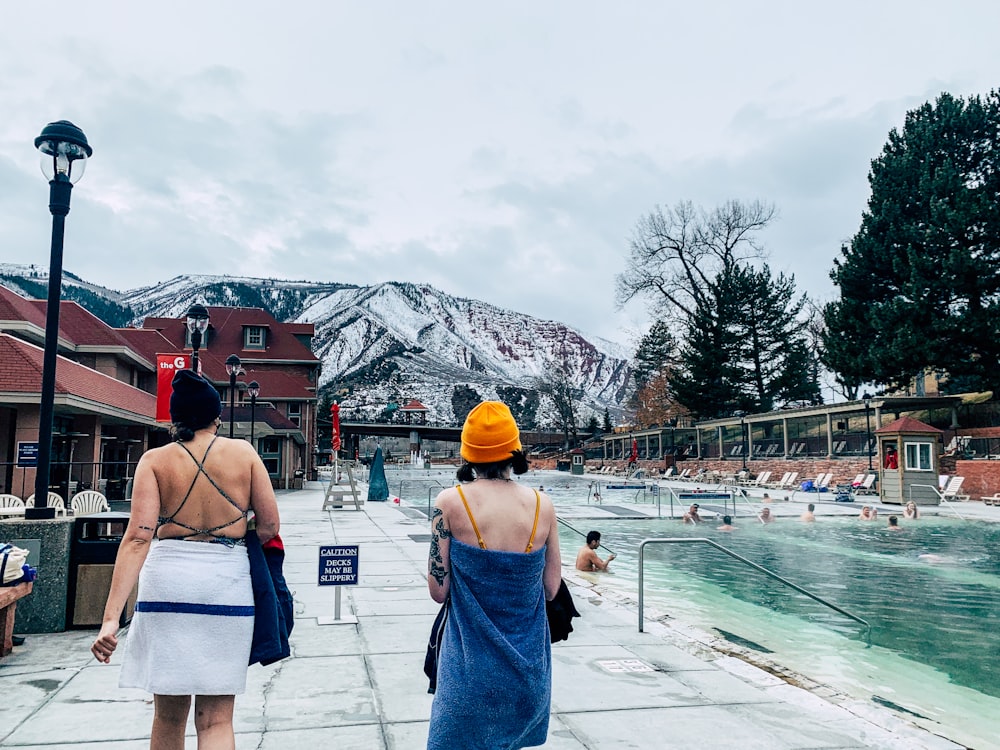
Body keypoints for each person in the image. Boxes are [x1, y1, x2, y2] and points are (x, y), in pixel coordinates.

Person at [90, 370, 280, 750]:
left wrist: (111, 619)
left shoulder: (154, 460)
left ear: (175, 418)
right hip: (226, 584)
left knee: (168, 716)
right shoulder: (243, 454)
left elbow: (137, 538)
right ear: (216, 416)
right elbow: (270, 525)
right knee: (215, 721)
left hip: (168, 584)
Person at [426, 401, 561, 749]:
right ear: (513, 451)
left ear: (467, 452)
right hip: (527, 674)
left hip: (468, 675)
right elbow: (550, 589)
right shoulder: (542, 505)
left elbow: (439, 591)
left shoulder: (450, 502)